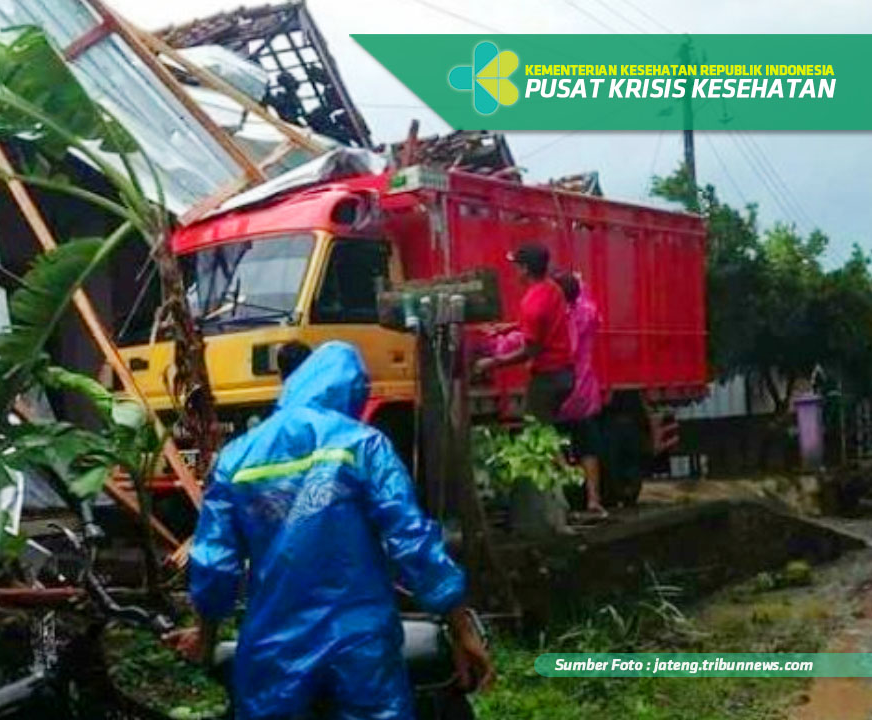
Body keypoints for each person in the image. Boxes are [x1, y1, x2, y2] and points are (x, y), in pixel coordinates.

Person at [170, 342, 493, 720]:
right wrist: (460, 626)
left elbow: (214, 564)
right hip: (361, 646)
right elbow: (412, 542)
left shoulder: (236, 458)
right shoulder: (364, 446)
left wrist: (206, 638)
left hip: (274, 649)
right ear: (351, 392)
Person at [473, 242, 574, 425]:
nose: (515, 271)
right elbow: (545, 323)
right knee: (548, 430)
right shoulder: (553, 289)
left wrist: (494, 362)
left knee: (537, 432)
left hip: (547, 378)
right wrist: (506, 328)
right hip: (564, 374)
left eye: (517, 266)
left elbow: (530, 350)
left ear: (525, 269)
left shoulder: (532, 303)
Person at [553, 271, 608, 518]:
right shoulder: (586, 313)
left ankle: (564, 493)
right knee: (589, 448)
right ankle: (593, 500)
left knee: (550, 442)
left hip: (559, 393)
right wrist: (581, 284)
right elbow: (594, 312)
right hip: (584, 393)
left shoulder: (556, 319)